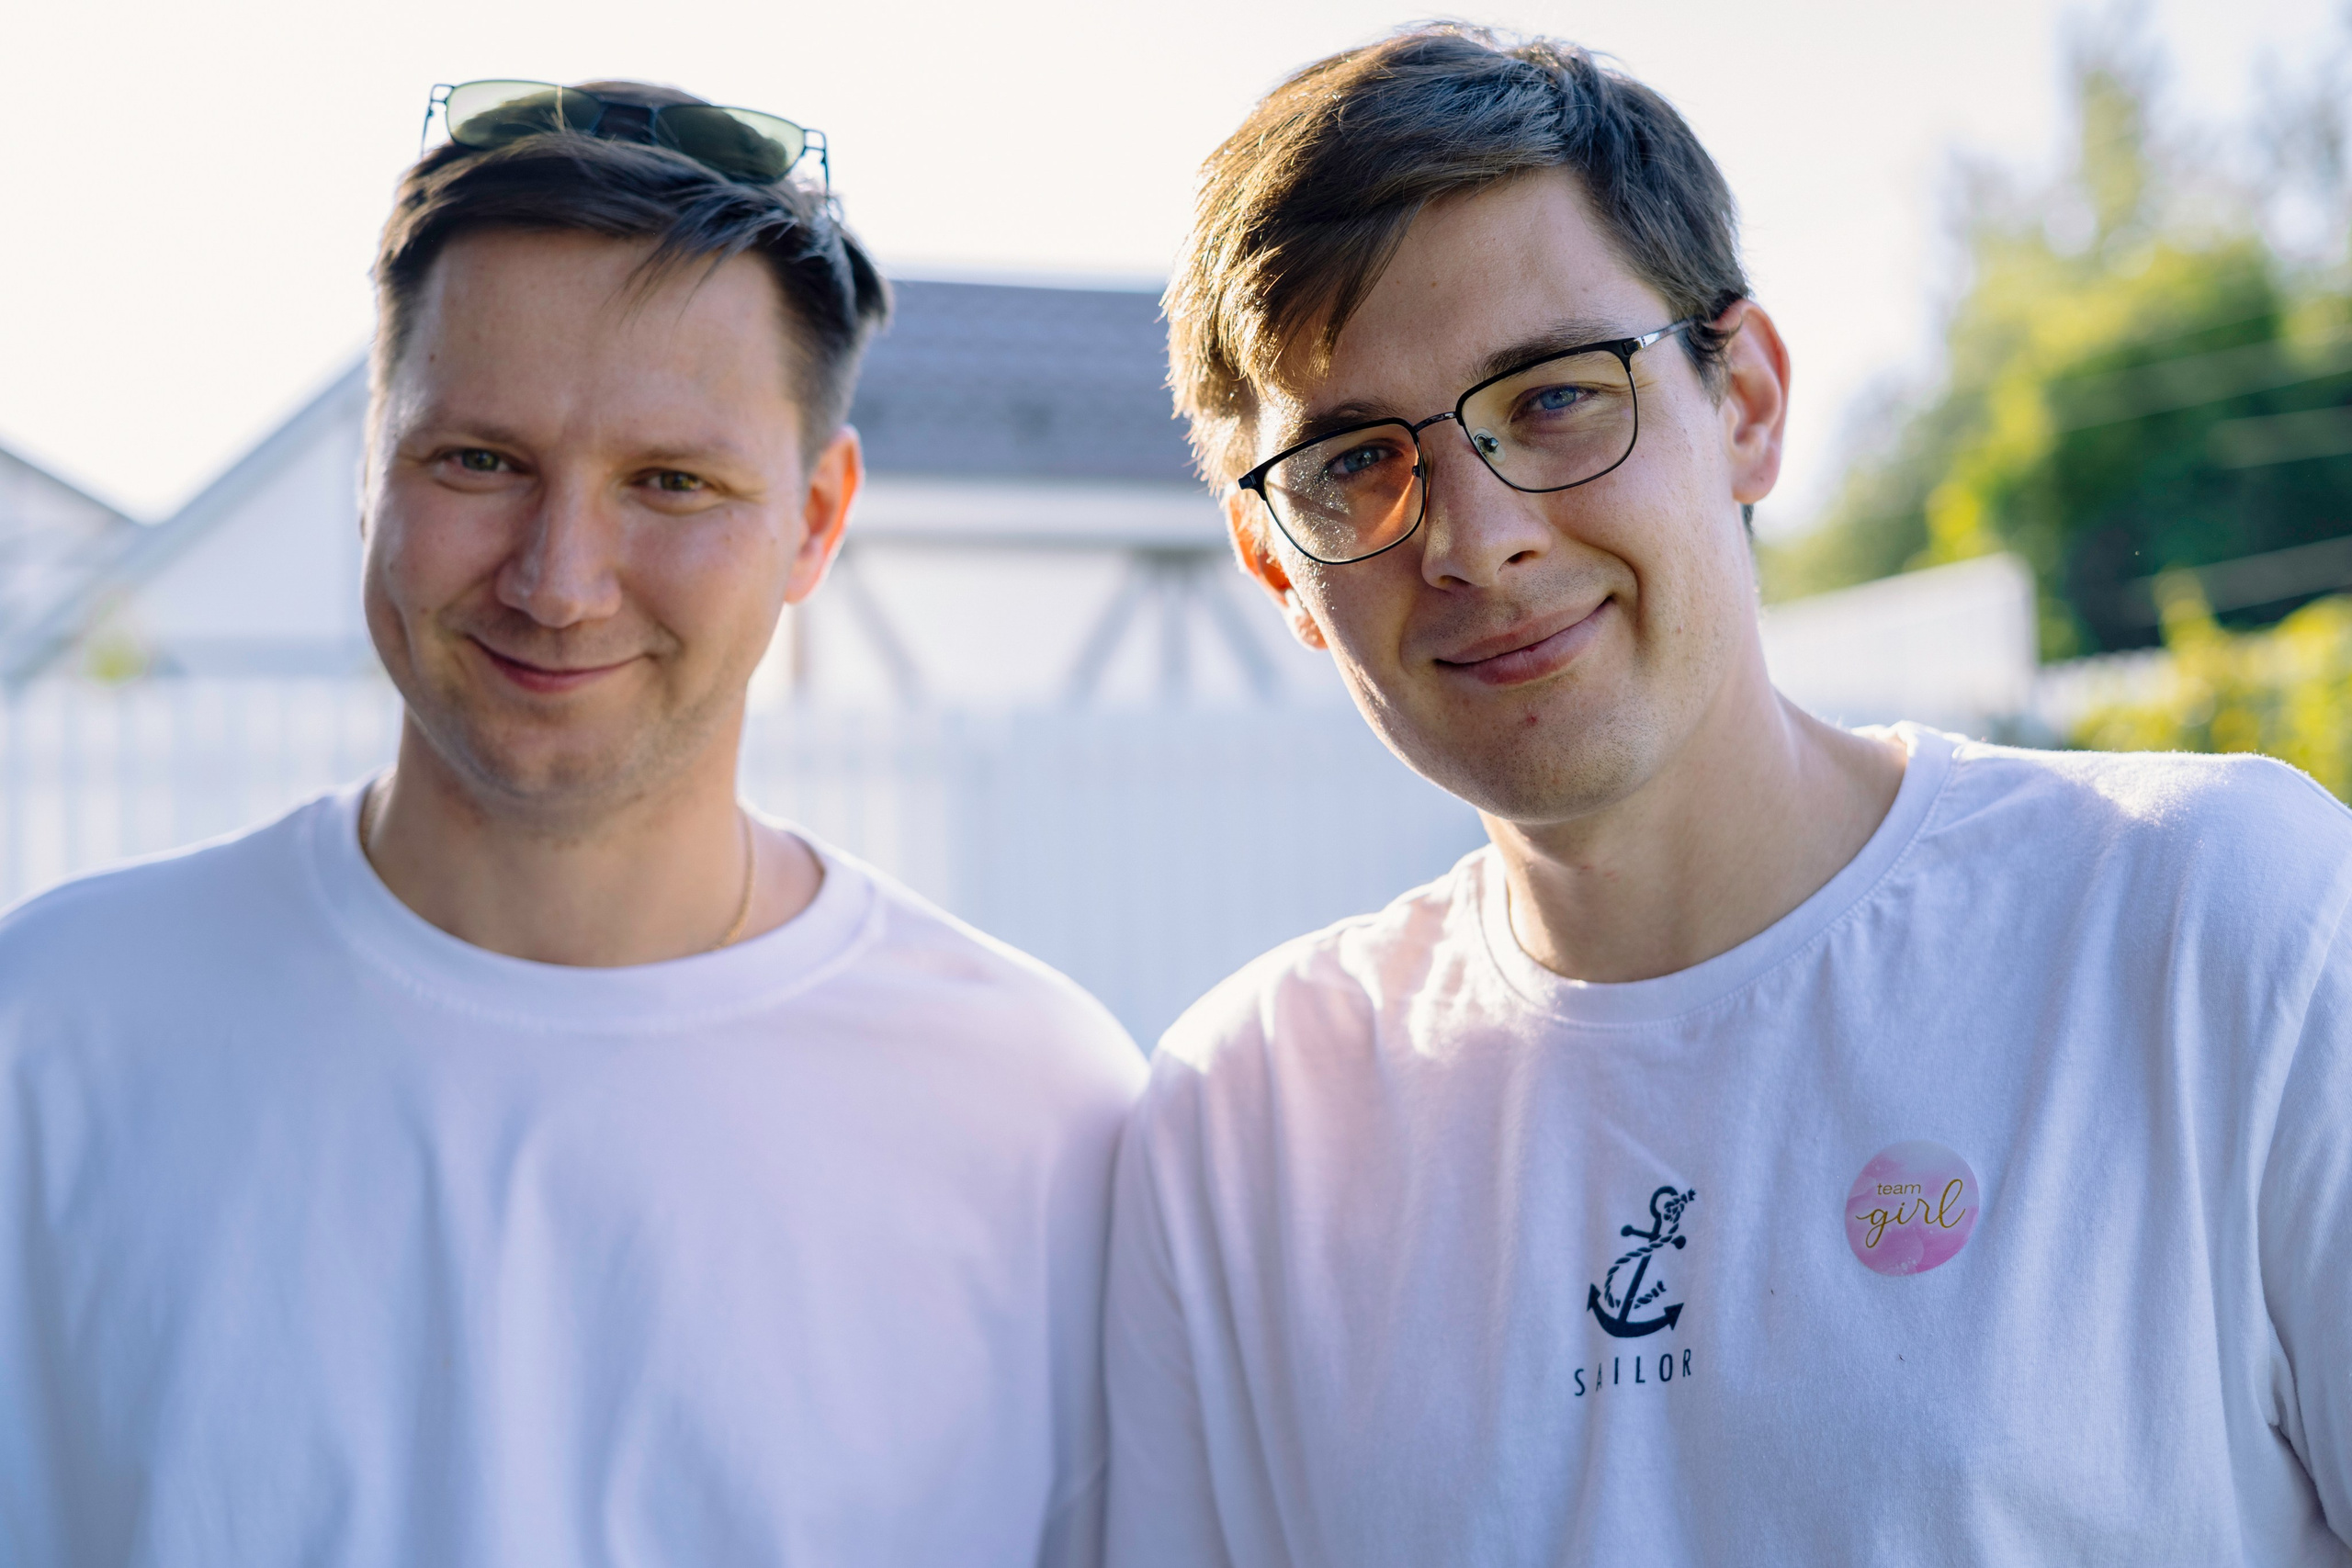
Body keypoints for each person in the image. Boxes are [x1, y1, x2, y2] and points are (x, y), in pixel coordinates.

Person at [1103, 26, 2352, 1564]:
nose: (1476, 537)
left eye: (1554, 397)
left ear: (1746, 403)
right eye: (1356, 461)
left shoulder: (2216, 917)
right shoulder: (1244, 1125)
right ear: (1276, 568)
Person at [0, 80, 1142, 1564]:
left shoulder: (1043, 1111)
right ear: (368, 469)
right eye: (479, 461)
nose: (559, 579)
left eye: (672, 482)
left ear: (815, 519)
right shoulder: (56, 1031)